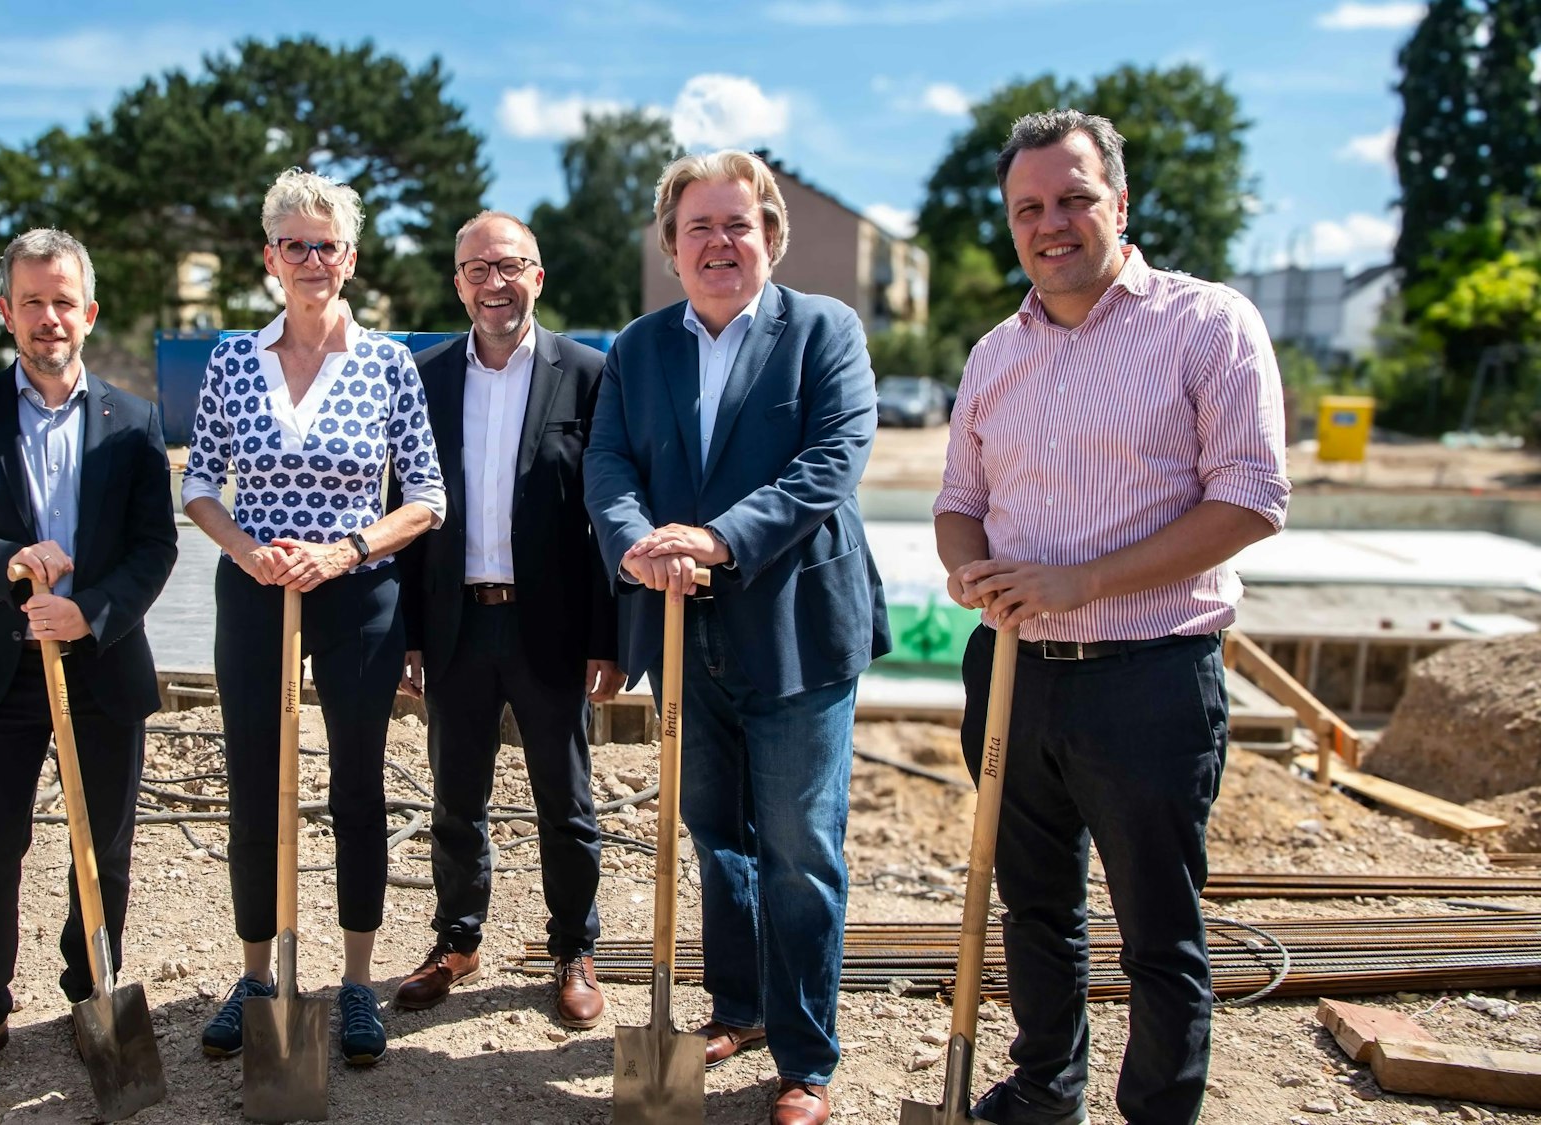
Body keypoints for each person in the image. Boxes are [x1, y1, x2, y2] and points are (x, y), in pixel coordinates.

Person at [934, 110, 1289, 1125]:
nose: (1051, 223)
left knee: (1156, 931)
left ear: (1118, 204)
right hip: (1011, 671)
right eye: (1026, 208)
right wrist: (971, 576)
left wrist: (1077, 582)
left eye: (1073, 197)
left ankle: (1155, 1111)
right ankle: (1047, 1087)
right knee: (1034, 909)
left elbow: (1249, 498)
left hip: (1148, 677)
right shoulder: (993, 353)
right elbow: (957, 502)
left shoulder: (1206, 324)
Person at [584, 150, 890, 1125]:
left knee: (798, 843)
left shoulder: (822, 331)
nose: (719, 243)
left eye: (736, 225)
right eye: (697, 229)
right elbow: (609, 463)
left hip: (795, 625)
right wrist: (636, 548)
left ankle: (803, 1056)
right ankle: (739, 1005)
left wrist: (716, 539)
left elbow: (831, 459)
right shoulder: (639, 348)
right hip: (682, 627)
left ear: (768, 236)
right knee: (715, 835)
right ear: (671, 249)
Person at [180, 167, 445, 1068]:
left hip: (357, 594)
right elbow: (200, 485)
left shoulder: (387, 363)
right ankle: (258, 977)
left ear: (350, 258)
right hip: (253, 593)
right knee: (256, 784)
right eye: (293, 244)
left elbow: (429, 498)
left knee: (358, 784)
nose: (309, 260)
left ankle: (358, 981)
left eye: (324, 245)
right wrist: (248, 549)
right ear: (269, 258)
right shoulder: (230, 359)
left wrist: (346, 550)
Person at [0, 228, 179, 1088]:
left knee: (103, 849)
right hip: (2, 667)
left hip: (101, 664)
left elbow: (154, 546)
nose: (48, 318)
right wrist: (9, 566)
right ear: (6, 312)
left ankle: (88, 993)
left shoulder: (134, 424)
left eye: (63, 301)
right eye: (32, 301)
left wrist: (90, 611)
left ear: (89, 313)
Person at [391, 211, 622, 1027]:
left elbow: (605, 517)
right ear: (458, 283)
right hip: (456, 624)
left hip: (550, 626)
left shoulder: (590, 374)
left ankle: (574, 948)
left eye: (511, 266)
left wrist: (609, 637)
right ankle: (456, 939)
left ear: (539, 276)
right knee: (457, 797)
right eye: (478, 269)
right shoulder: (423, 378)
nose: (496, 283)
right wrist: (408, 633)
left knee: (566, 800)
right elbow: (406, 511)